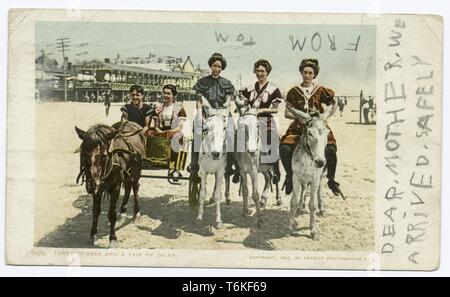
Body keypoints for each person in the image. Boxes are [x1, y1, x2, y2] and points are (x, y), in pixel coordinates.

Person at [279, 58, 342, 196]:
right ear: (301, 73)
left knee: (331, 149)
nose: (307, 76)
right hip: (299, 126)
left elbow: (333, 104)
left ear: (315, 74)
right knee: (284, 149)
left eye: (310, 73)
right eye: (305, 72)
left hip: (317, 126)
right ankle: (290, 176)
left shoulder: (321, 90)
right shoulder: (294, 91)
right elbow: (287, 112)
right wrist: (301, 116)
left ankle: (331, 180)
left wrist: (324, 117)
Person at [187, 53, 239, 183]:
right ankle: (194, 163)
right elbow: (199, 101)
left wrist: (224, 116)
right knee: (197, 131)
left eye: (219, 67)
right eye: (214, 66)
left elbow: (228, 102)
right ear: (211, 66)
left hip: (223, 114)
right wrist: (199, 115)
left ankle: (231, 164)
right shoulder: (203, 82)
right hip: (206, 113)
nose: (216, 68)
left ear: (222, 68)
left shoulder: (226, 83)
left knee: (232, 133)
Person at [239, 59, 282, 183]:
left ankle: (274, 169)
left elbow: (275, 110)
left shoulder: (274, 89)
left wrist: (261, 110)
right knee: (239, 135)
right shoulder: (250, 87)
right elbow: (245, 103)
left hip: (266, 119)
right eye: (257, 71)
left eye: (262, 71)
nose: (259, 73)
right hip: (250, 118)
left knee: (272, 138)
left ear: (267, 72)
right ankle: (239, 167)